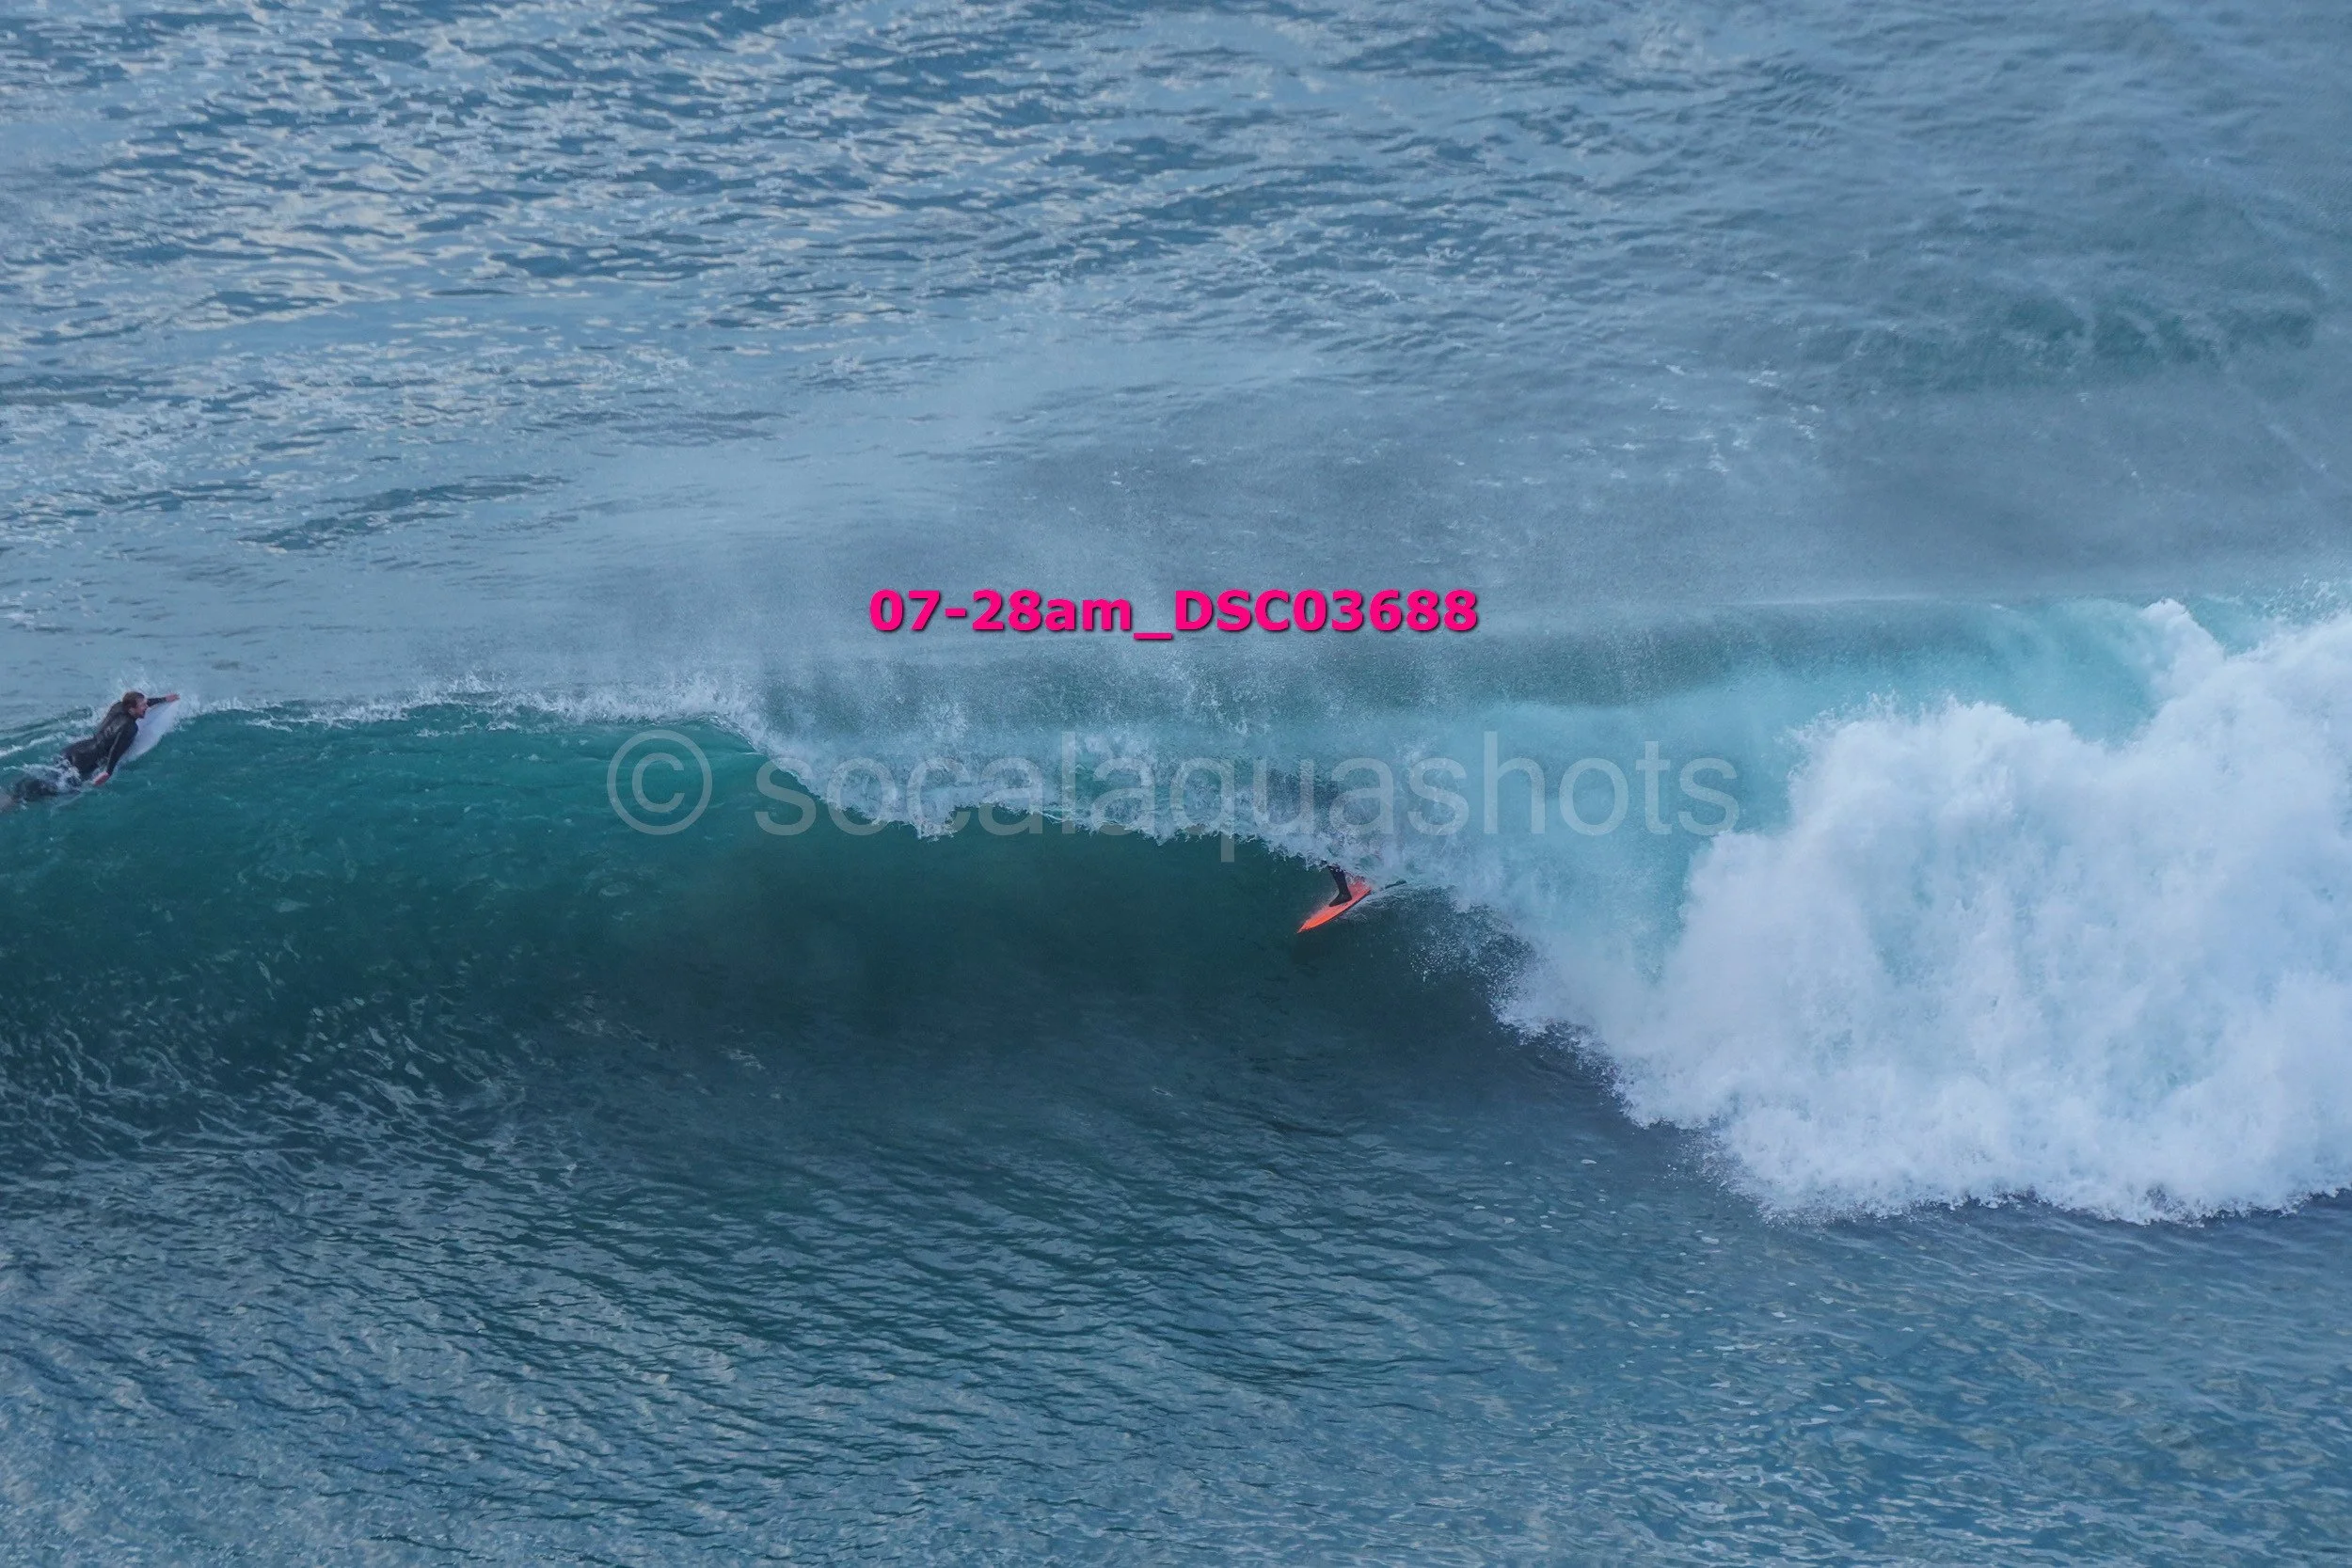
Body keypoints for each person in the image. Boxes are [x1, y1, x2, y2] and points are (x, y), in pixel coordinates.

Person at [4, 690, 178, 807]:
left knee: (48, 774)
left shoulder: (118, 706)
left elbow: (135, 704)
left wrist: (163, 700)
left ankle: (11, 793)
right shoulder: (130, 727)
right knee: (54, 789)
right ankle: (10, 803)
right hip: (86, 761)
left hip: (74, 749)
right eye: (143, 706)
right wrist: (107, 772)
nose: (146, 707)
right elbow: (116, 750)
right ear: (132, 709)